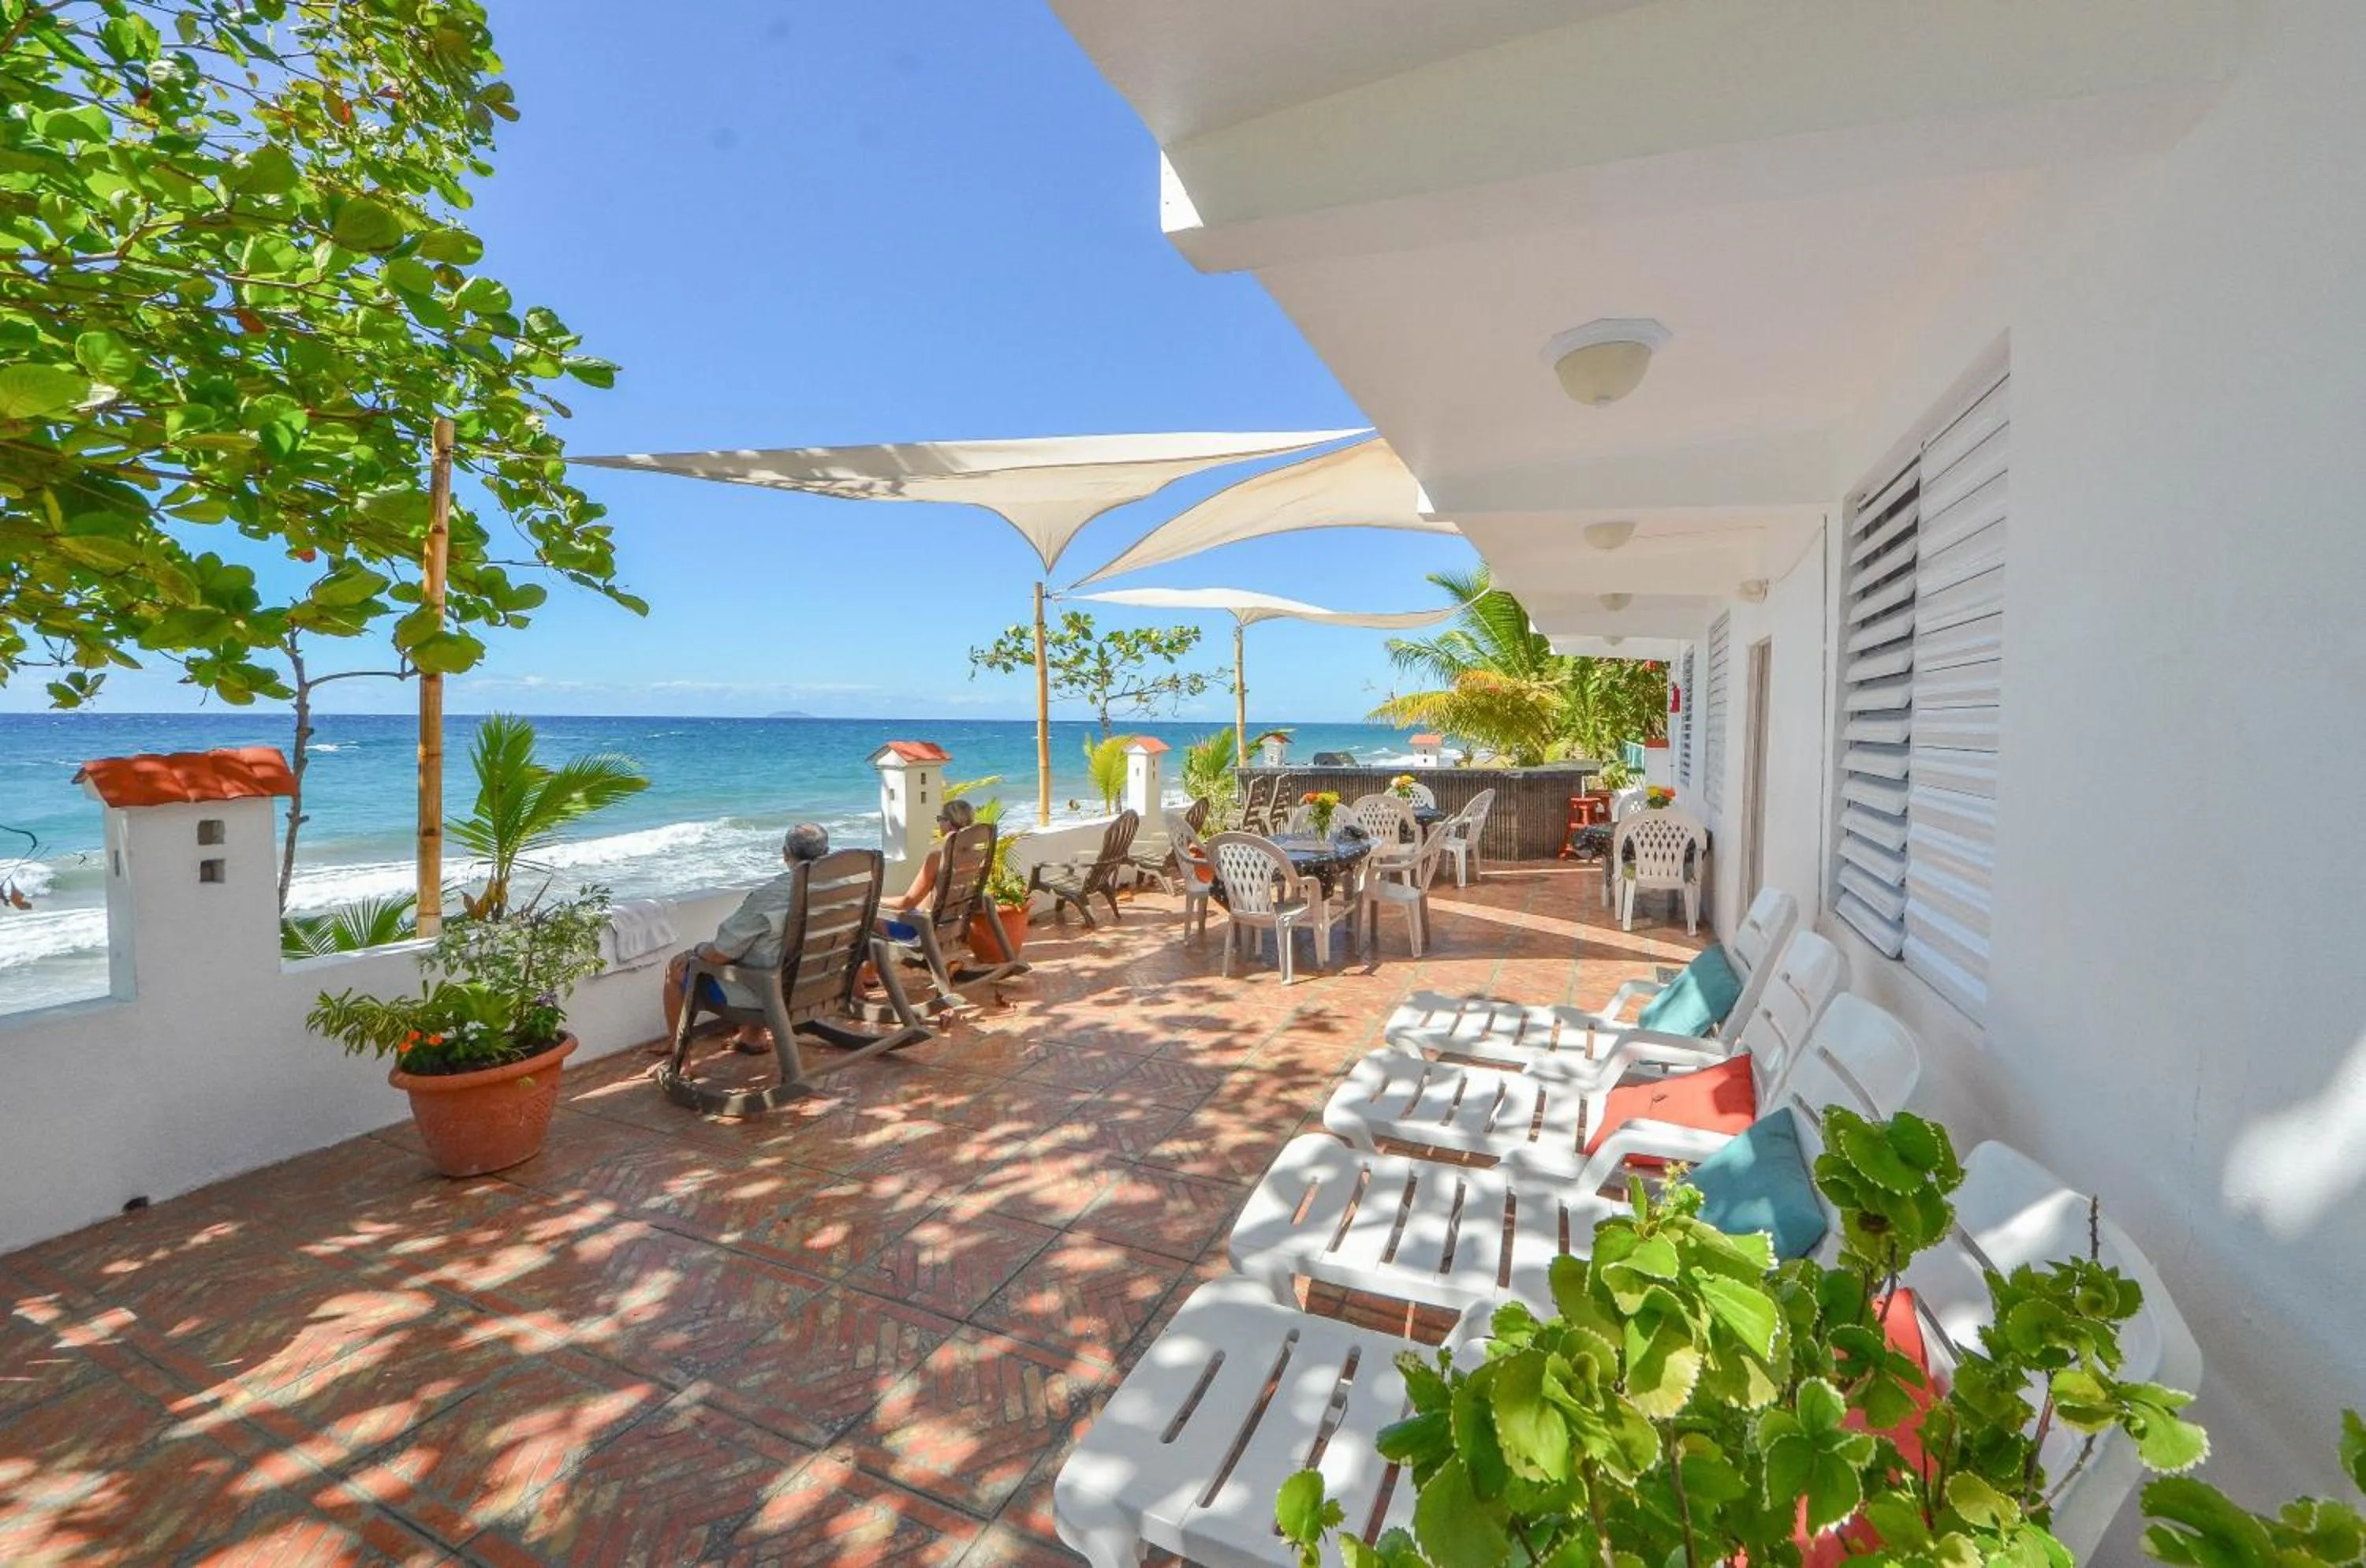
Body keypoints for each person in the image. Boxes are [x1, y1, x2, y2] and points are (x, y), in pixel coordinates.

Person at [659, 823, 830, 1054]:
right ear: (826, 853)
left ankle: (679, 1055)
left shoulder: (771, 897)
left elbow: (719, 954)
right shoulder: (843, 884)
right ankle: (752, 1037)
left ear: (785, 854)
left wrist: (696, 951)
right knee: (762, 951)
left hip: (775, 993)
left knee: (677, 968)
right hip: (823, 982)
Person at [885, 798, 974, 917]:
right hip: (954, 922)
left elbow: (907, 903)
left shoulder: (938, 858)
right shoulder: (974, 856)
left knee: (871, 920)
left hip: (923, 927)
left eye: (940, 819)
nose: (939, 823)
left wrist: (874, 900)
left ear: (948, 823)